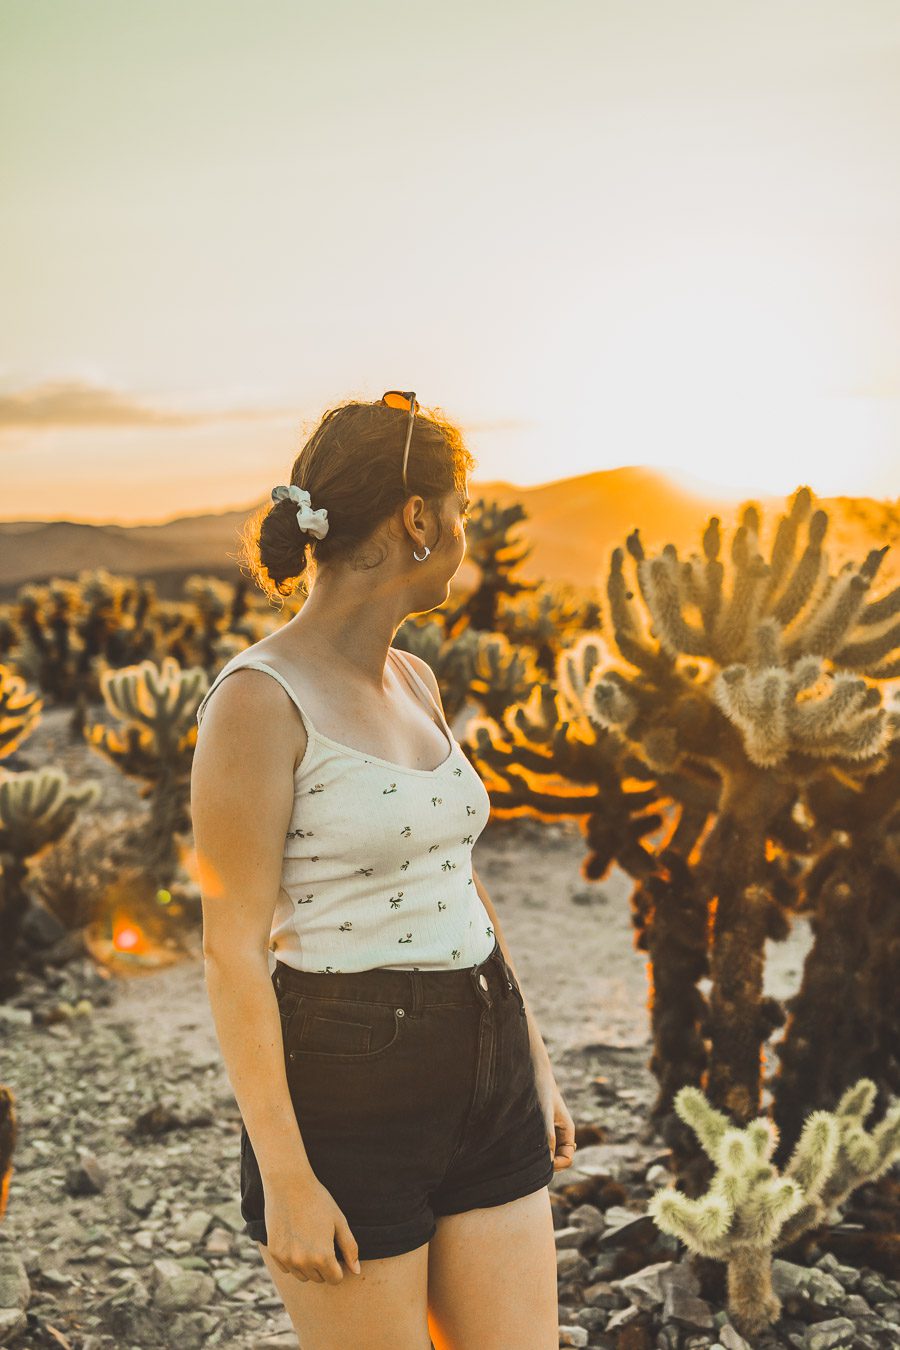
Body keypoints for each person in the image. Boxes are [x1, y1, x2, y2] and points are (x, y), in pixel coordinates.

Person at [190, 393, 576, 1350]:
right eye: (464, 509)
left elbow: (455, 875)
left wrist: (529, 1058)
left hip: (485, 1052)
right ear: (418, 518)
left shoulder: (418, 679)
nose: (465, 530)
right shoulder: (256, 702)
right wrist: (286, 1177)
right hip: (345, 1078)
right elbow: (231, 952)